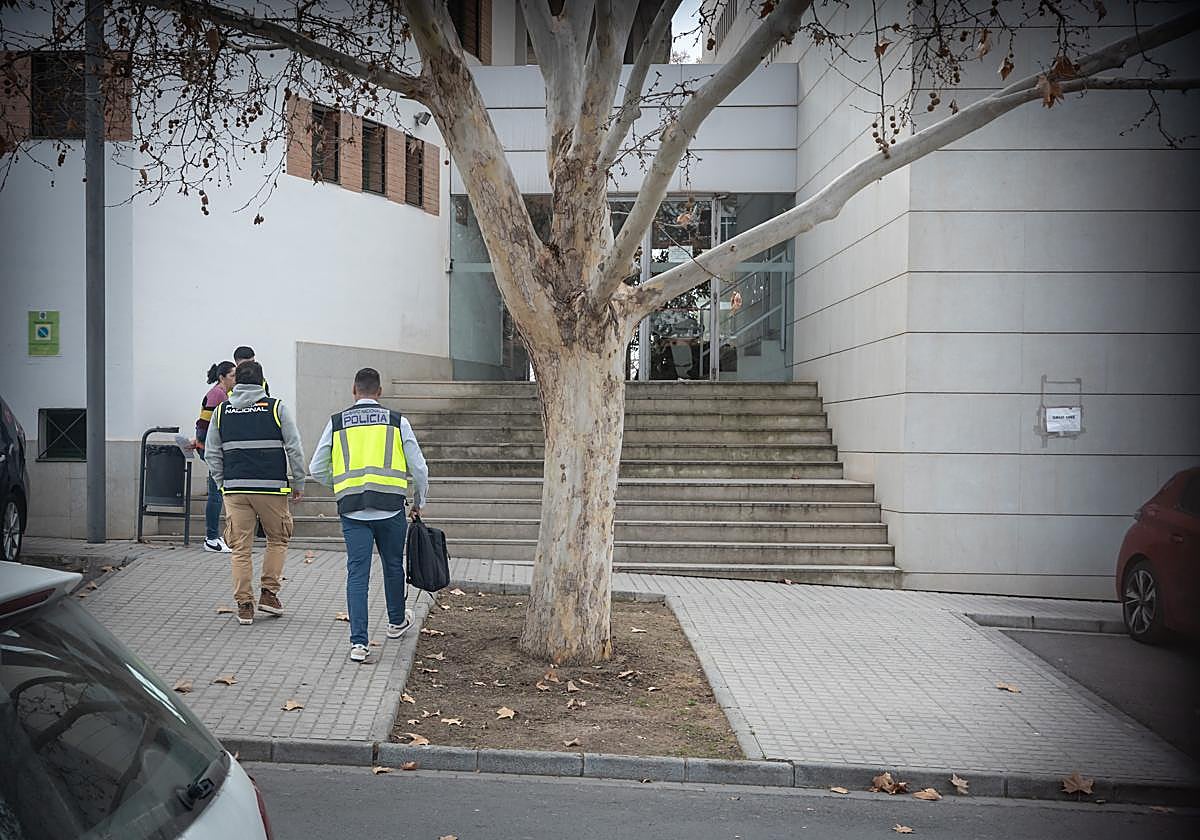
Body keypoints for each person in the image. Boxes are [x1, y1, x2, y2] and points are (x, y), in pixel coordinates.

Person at [309, 367, 428, 663]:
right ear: (379, 392)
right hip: (390, 508)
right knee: (392, 565)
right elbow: (420, 468)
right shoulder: (396, 421)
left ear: (353, 390)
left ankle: (359, 644)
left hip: (352, 510)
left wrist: (341, 485)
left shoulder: (337, 423)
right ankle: (396, 622)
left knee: (357, 572)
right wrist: (419, 500)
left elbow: (316, 467)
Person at [204, 361, 307, 626]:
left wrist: (221, 483)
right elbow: (294, 447)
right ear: (262, 382)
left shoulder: (221, 411)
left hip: (236, 490)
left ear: (237, 382)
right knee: (277, 539)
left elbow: (212, 452)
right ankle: (269, 594)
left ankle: (245, 605)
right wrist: (299, 482)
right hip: (271, 489)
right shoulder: (276, 407)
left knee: (240, 549)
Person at [193, 361, 236, 552]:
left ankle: (214, 536)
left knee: (217, 492)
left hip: (215, 449)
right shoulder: (217, 394)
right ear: (222, 377)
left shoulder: (223, 394)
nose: (236, 379)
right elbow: (204, 423)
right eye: (233, 375)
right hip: (212, 450)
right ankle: (211, 538)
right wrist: (201, 442)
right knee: (215, 493)